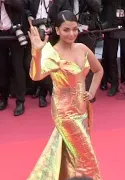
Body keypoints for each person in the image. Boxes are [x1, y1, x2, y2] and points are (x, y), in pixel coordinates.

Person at [27, 10, 103, 179]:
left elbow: (98, 70)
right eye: (67, 30)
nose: (72, 33)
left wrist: (91, 92)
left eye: (75, 29)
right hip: (64, 111)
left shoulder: (82, 48)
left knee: (68, 150)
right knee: (84, 153)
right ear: (57, 30)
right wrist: (37, 52)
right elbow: (36, 75)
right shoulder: (52, 53)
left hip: (83, 108)